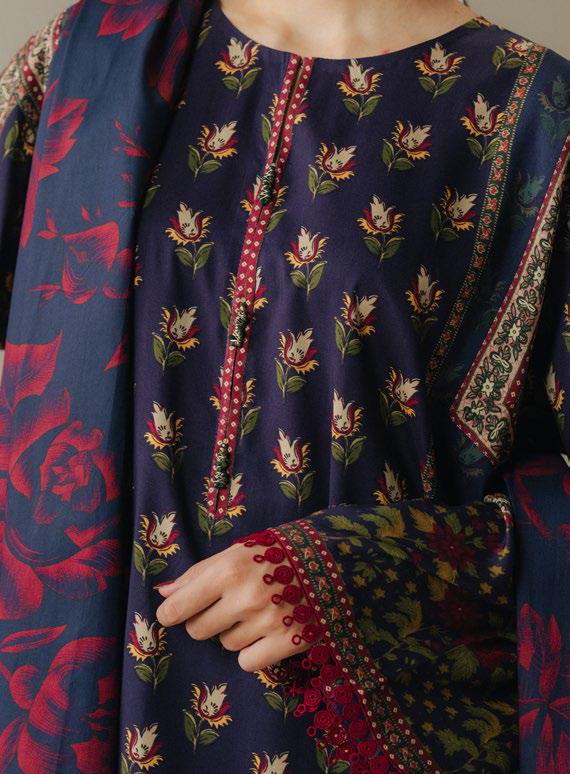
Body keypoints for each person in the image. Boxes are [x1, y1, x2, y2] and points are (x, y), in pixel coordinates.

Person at [0, 0, 568, 771]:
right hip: (82, 714)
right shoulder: (91, 57)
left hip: (354, 723)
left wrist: (370, 570)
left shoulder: (538, 113)